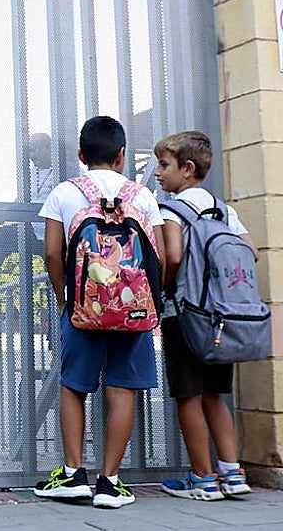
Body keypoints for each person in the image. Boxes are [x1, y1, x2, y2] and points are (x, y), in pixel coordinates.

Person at [32, 115, 164, 509]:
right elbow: (159, 254)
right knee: (121, 388)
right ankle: (110, 482)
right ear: (122, 155)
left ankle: (73, 475)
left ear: (79, 155)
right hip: (132, 309)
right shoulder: (142, 196)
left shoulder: (64, 192)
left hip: (82, 306)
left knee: (74, 385)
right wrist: (146, 298)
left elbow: (52, 252)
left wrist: (64, 296)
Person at [154, 131, 258, 500]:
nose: (157, 173)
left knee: (188, 396)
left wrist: (159, 289)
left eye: (164, 165)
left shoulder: (171, 210)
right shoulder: (223, 209)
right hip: (221, 318)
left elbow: (174, 257)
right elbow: (250, 252)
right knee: (215, 395)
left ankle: (202, 478)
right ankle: (233, 473)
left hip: (184, 314)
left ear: (187, 168)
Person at [0, 132, 56, 294]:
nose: (32, 156)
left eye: (35, 150)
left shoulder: (67, 168)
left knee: (55, 275)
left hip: (56, 234)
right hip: (33, 231)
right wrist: (4, 216)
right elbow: (20, 199)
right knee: (0, 237)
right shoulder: (29, 174)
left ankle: (57, 301)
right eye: (29, 151)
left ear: (49, 148)